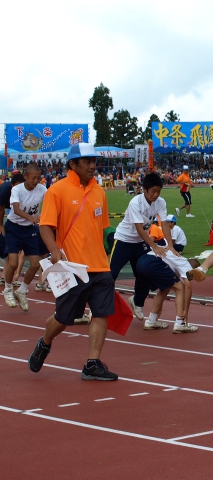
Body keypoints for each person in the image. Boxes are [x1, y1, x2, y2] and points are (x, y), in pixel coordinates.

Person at [28, 143, 118, 381]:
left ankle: (92, 363)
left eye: (94, 161)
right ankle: (45, 342)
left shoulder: (99, 191)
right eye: (87, 162)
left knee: (101, 313)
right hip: (73, 267)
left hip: (100, 266)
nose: (92, 166)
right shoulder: (57, 191)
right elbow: (45, 226)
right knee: (63, 318)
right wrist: (54, 250)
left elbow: (102, 227)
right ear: (73, 164)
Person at [110, 172, 178, 320]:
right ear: (144, 189)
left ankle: (137, 302)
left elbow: (164, 224)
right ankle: (100, 304)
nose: (156, 195)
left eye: (158, 191)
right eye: (153, 191)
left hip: (140, 242)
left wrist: (170, 245)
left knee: (144, 272)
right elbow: (140, 229)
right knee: (112, 273)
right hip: (124, 239)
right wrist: (154, 246)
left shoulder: (160, 202)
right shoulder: (135, 203)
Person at [2, 163, 47, 311]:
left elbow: (51, 201)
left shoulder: (42, 189)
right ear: (25, 177)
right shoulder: (17, 190)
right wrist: (30, 217)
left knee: (35, 264)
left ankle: (22, 290)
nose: (36, 181)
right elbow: (15, 209)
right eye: (33, 178)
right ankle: (8, 289)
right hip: (14, 228)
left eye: (38, 178)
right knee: (13, 263)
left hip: (29, 229)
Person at [135, 250, 200, 333]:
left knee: (166, 288)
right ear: (194, 270)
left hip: (141, 262)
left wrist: (159, 308)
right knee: (180, 288)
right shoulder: (186, 266)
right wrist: (185, 311)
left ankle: (151, 320)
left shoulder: (176, 263)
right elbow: (188, 287)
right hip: (153, 262)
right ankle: (180, 323)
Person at [0, 173, 26, 279]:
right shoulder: (5, 190)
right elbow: (1, 209)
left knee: (12, 250)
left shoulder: (24, 191)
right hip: (1, 211)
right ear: (12, 185)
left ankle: (4, 277)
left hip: (15, 222)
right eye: (16, 186)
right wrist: (1, 225)